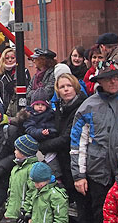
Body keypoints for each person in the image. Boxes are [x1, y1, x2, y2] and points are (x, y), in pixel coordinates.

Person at [71, 66, 118, 222]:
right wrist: (79, 176)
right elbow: (78, 145)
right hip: (98, 174)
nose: (113, 82)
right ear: (99, 81)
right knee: (100, 215)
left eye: (115, 78)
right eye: (107, 79)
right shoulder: (87, 106)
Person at [38, 72, 89, 221]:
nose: (66, 89)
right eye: (62, 87)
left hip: (78, 162)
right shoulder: (59, 107)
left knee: (82, 209)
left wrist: (43, 146)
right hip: (63, 162)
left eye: (69, 86)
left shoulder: (81, 107)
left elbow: (67, 138)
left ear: (75, 88)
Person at [23, 92, 60, 177]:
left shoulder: (51, 115)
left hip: (48, 142)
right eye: (37, 104)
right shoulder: (29, 115)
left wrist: (49, 132)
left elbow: (55, 128)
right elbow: (29, 129)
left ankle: (56, 176)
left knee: (52, 159)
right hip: (35, 142)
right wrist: (40, 132)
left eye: (42, 105)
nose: (40, 107)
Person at [4, 135, 39, 221]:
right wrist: (8, 208)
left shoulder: (32, 168)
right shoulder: (15, 168)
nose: (14, 152)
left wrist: (26, 212)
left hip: (23, 214)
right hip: (12, 212)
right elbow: (11, 191)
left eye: (17, 150)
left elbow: (33, 192)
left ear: (23, 152)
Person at [0, 48, 31, 116]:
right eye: (7, 58)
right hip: (4, 107)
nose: (10, 60)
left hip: (20, 106)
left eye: (12, 58)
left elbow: (28, 88)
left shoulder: (23, 71)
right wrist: (1, 106)